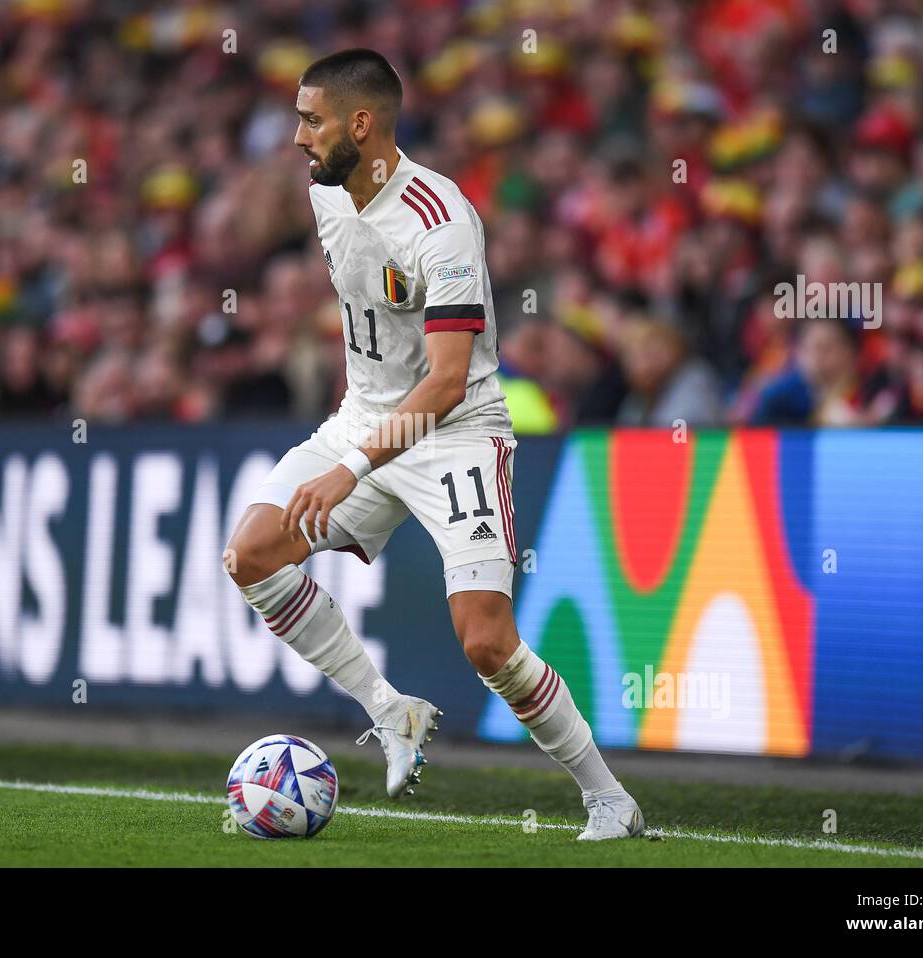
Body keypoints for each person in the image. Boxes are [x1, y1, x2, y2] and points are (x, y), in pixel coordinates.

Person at [224, 49, 643, 841]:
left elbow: (447, 382)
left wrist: (351, 470)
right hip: (364, 414)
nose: (296, 136)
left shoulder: (441, 222)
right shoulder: (326, 196)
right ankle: (391, 713)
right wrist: (353, 442)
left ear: (362, 123)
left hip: (456, 433)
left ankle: (609, 798)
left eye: (311, 120)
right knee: (250, 555)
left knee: (487, 642)